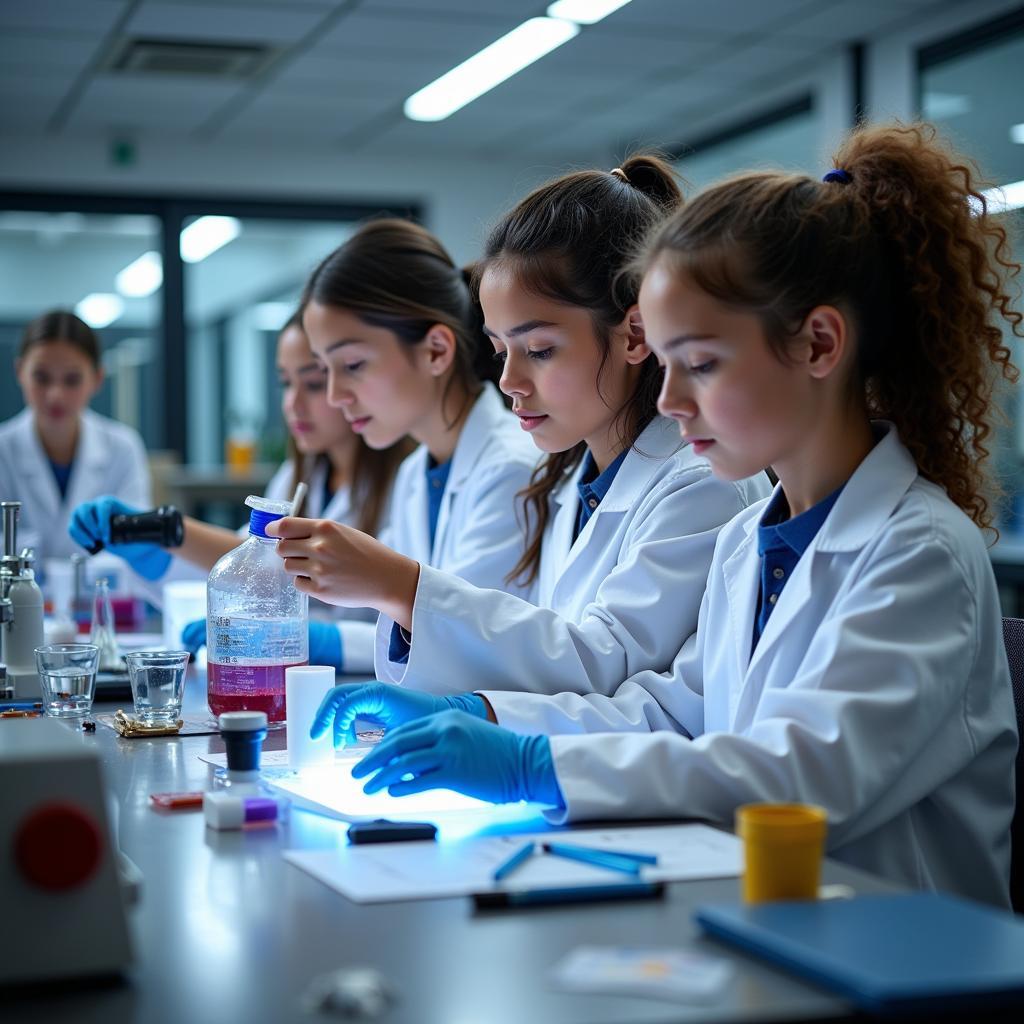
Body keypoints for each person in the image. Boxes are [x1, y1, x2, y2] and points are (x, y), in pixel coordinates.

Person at [321, 123, 1021, 907]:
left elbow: (803, 777)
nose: (668, 399)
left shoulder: (920, 553)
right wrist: (486, 716)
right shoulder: (745, 545)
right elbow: (668, 713)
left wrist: (533, 765)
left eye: (702, 364)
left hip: (906, 948)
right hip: (761, 911)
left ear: (820, 344)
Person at [268, 158, 769, 696]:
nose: (510, 381)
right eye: (500, 350)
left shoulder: (698, 485)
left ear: (633, 334)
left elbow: (602, 663)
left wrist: (402, 587)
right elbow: (540, 650)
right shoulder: (569, 480)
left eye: (540, 350)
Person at [69, 315, 411, 673]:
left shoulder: (402, 484)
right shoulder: (297, 478)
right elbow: (246, 573)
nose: (293, 404)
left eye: (312, 383)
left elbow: (417, 627)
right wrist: (156, 549)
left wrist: (324, 639)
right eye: (285, 383)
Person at [0, 310, 150, 569]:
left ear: (97, 378)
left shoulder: (123, 447)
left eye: (72, 379)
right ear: (19, 372)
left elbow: (136, 547)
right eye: (41, 377)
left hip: (102, 601)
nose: (55, 395)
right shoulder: (3, 450)